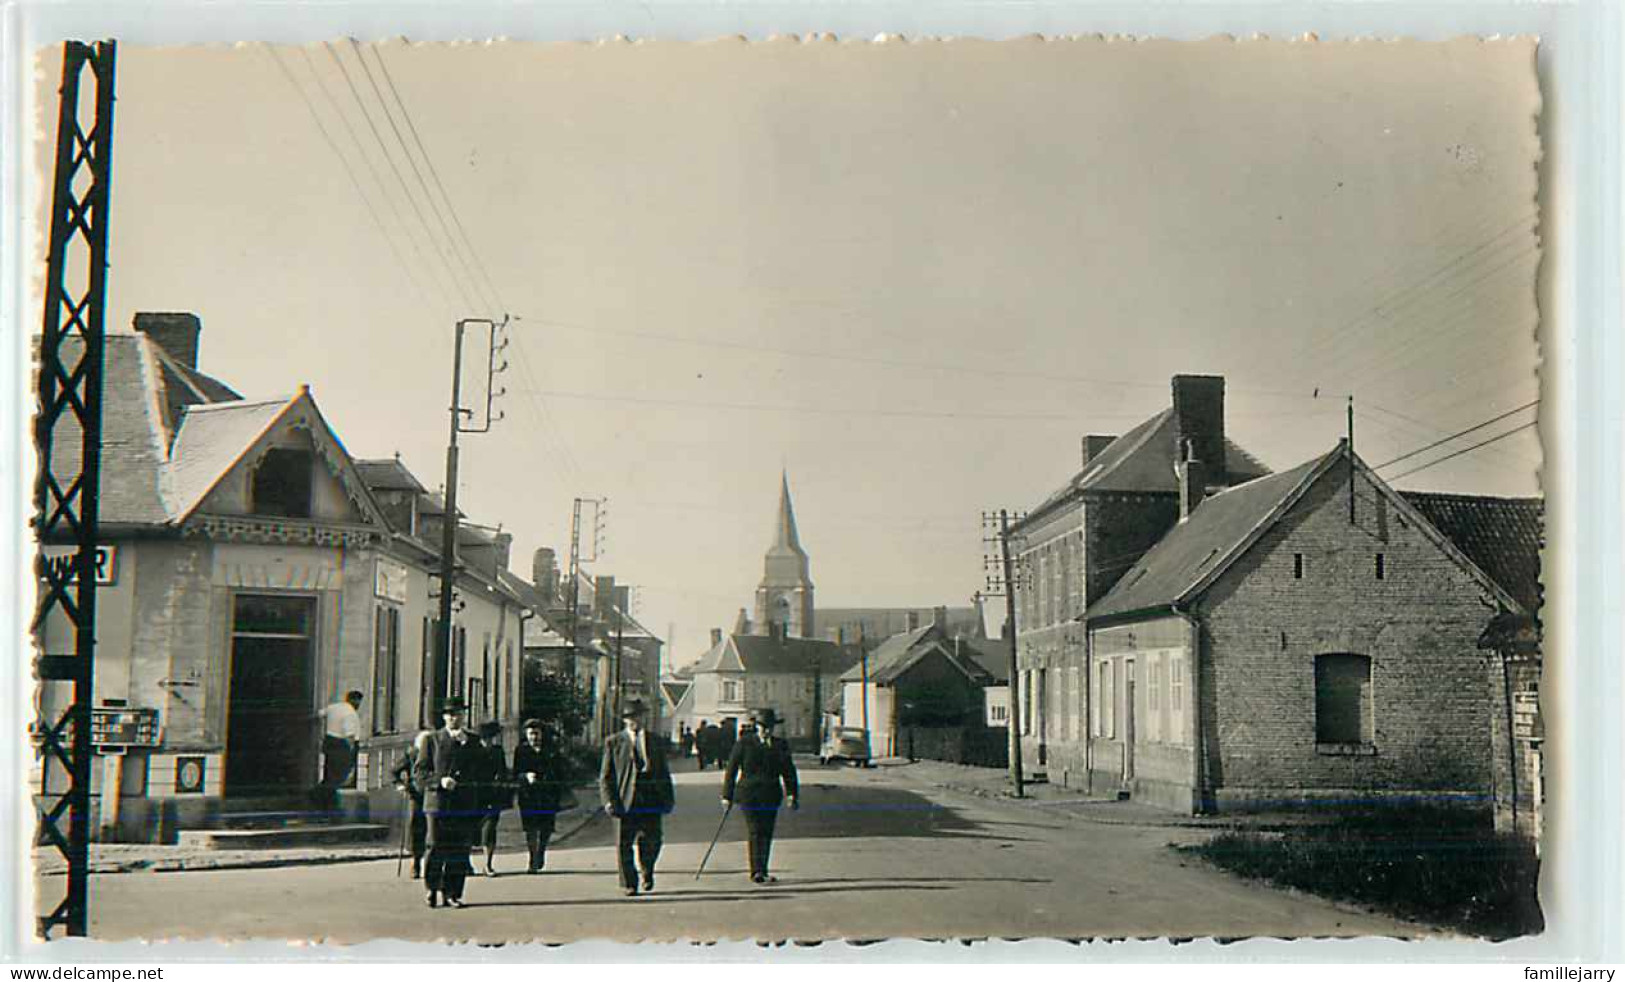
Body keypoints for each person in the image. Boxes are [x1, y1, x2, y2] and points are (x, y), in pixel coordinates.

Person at [599, 700, 675, 897]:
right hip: (624, 800)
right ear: (624, 720)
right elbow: (606, 776)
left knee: (653, 841)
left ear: (644, 718)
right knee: (623, 844)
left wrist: (668, 798)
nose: (635, 721)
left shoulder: (655, 741)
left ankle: (647, 870)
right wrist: (608, 800)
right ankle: (629, 883)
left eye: (638, 717)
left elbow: (664, 772)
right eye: (630, 718)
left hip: (651, 798)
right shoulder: (614, 742)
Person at [414, 697, 483, 909]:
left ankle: (453, 893)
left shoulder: (472, 741)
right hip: (437, 804)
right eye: (451, 714)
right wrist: (440, 781)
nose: (455, 718)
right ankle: (432, 889)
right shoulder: (432, 740)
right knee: (435, 846)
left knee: (460, 850)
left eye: (459, 713)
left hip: (463, 804)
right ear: (444, 717)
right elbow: (420, 773)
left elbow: (481, 770)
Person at [722, 707, 799, 885]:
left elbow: (789, 771)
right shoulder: (744, 743)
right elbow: (731, 769)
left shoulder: (781, 745)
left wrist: (792, 794)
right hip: (749, 795)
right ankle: (756, 870)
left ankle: (763, 869)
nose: (766, 730)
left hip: (771, 795)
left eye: (769, 726)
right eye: (763, 726)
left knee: (767, 831)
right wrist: (727, 795)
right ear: (756, 726)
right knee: (755, 830)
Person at [511, 719, 566, 873]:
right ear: (525, 735)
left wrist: (552, 781)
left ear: (541, 734)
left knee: (546, 828)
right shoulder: (521, 751)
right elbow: (515, 773)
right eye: (530, 734)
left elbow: (561, 771)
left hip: (548, 795)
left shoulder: (551, 750)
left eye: (536, 733)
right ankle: (532, 857)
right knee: (530, 828)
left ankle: (541, 851)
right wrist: (525, 776)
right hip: (528, 795)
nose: (533, 737)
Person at [391, 728, 434, 879]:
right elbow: (394, 771)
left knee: (433, 830)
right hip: (415, 795)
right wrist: (401, 785)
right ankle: (415, 862)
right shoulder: (411, 754)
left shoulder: (435, 755)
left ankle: (431, 864)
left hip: (433, 795)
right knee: (416, 827)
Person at [314, 690, 363, 816]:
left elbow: (319, 715)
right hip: (342, 746)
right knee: (339, 778)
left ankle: (323, 803)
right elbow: (350, 736)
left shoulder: (334, 707)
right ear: (356, 701)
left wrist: (320, 735)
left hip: (330, 742)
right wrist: (352, 753)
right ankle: (330, 806)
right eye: (358, 702)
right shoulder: (350, 714)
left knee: (329, 774)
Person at [475, 720, 510, 877]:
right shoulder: (472, 751)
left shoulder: (498, 751)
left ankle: (488, 864)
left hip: (493, 796)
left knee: (489, 830)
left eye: (490, 739)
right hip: (474, 796)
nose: (487, 742)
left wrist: (501, 783)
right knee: (471, 830)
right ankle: (467, 865)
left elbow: (503, 772)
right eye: (484, 739)